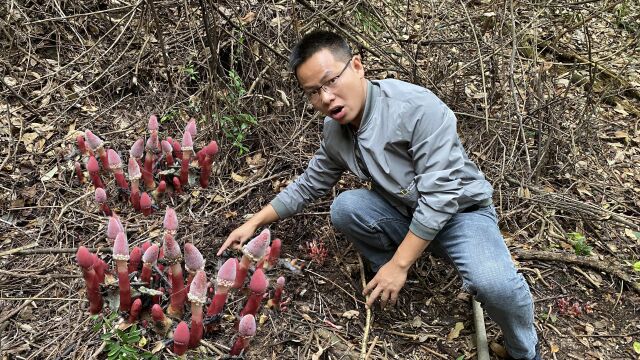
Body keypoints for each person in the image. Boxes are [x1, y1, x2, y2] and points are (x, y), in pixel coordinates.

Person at [217, 30, 540, 360]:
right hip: (404, 211)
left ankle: (523, 351)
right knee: (346, 207)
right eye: (313, 92)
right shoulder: (336, 130)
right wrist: (254, 223)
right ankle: (391, 277)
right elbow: (310, 183)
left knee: (495, 286)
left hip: (461, 215)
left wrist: (400, 264)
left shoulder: (415, 108)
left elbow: (440, 198)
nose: (326, 98)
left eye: (330, 81)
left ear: (357, 66)